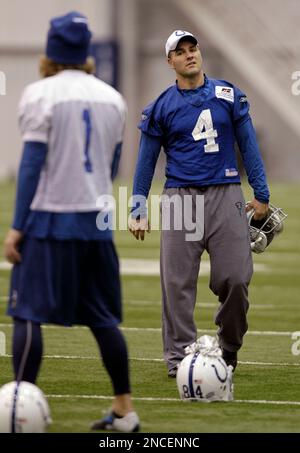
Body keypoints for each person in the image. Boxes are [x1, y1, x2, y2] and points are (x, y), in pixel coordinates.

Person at [4, 11, 140, 432]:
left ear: (50, 49)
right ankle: (125, 411)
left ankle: (17, 411)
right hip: (96, 222)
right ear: (86, 50)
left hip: (50, 219)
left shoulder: (40, 94)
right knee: (103, 318)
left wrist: (16, 226)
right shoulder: (113, 98)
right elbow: (113, 163)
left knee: (26, 311)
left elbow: (30, 166)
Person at [129, 30, 270, 378]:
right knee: (176, 285)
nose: (190, 55)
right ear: (170, 61)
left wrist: (262, 192)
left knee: (236, 278)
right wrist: (136, 208)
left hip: (226, 193)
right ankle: (179, 361)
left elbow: (248, 144)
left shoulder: (228, 95)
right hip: (180, 197)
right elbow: (145, 162)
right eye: (181, 52)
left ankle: (229, 347)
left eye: (193, 49)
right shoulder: (160, 107)